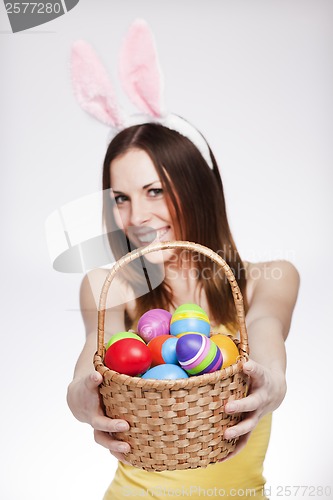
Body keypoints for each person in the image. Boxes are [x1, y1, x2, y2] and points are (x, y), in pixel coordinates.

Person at [66, 121, 300, 499]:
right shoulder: (110, 287)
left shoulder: (268, 280)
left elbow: (265, 328)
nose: (136, 216)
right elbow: (97, 348)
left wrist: (271, 381)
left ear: (198, 190)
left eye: (154, 191)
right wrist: (79, 395)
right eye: (121, 198)